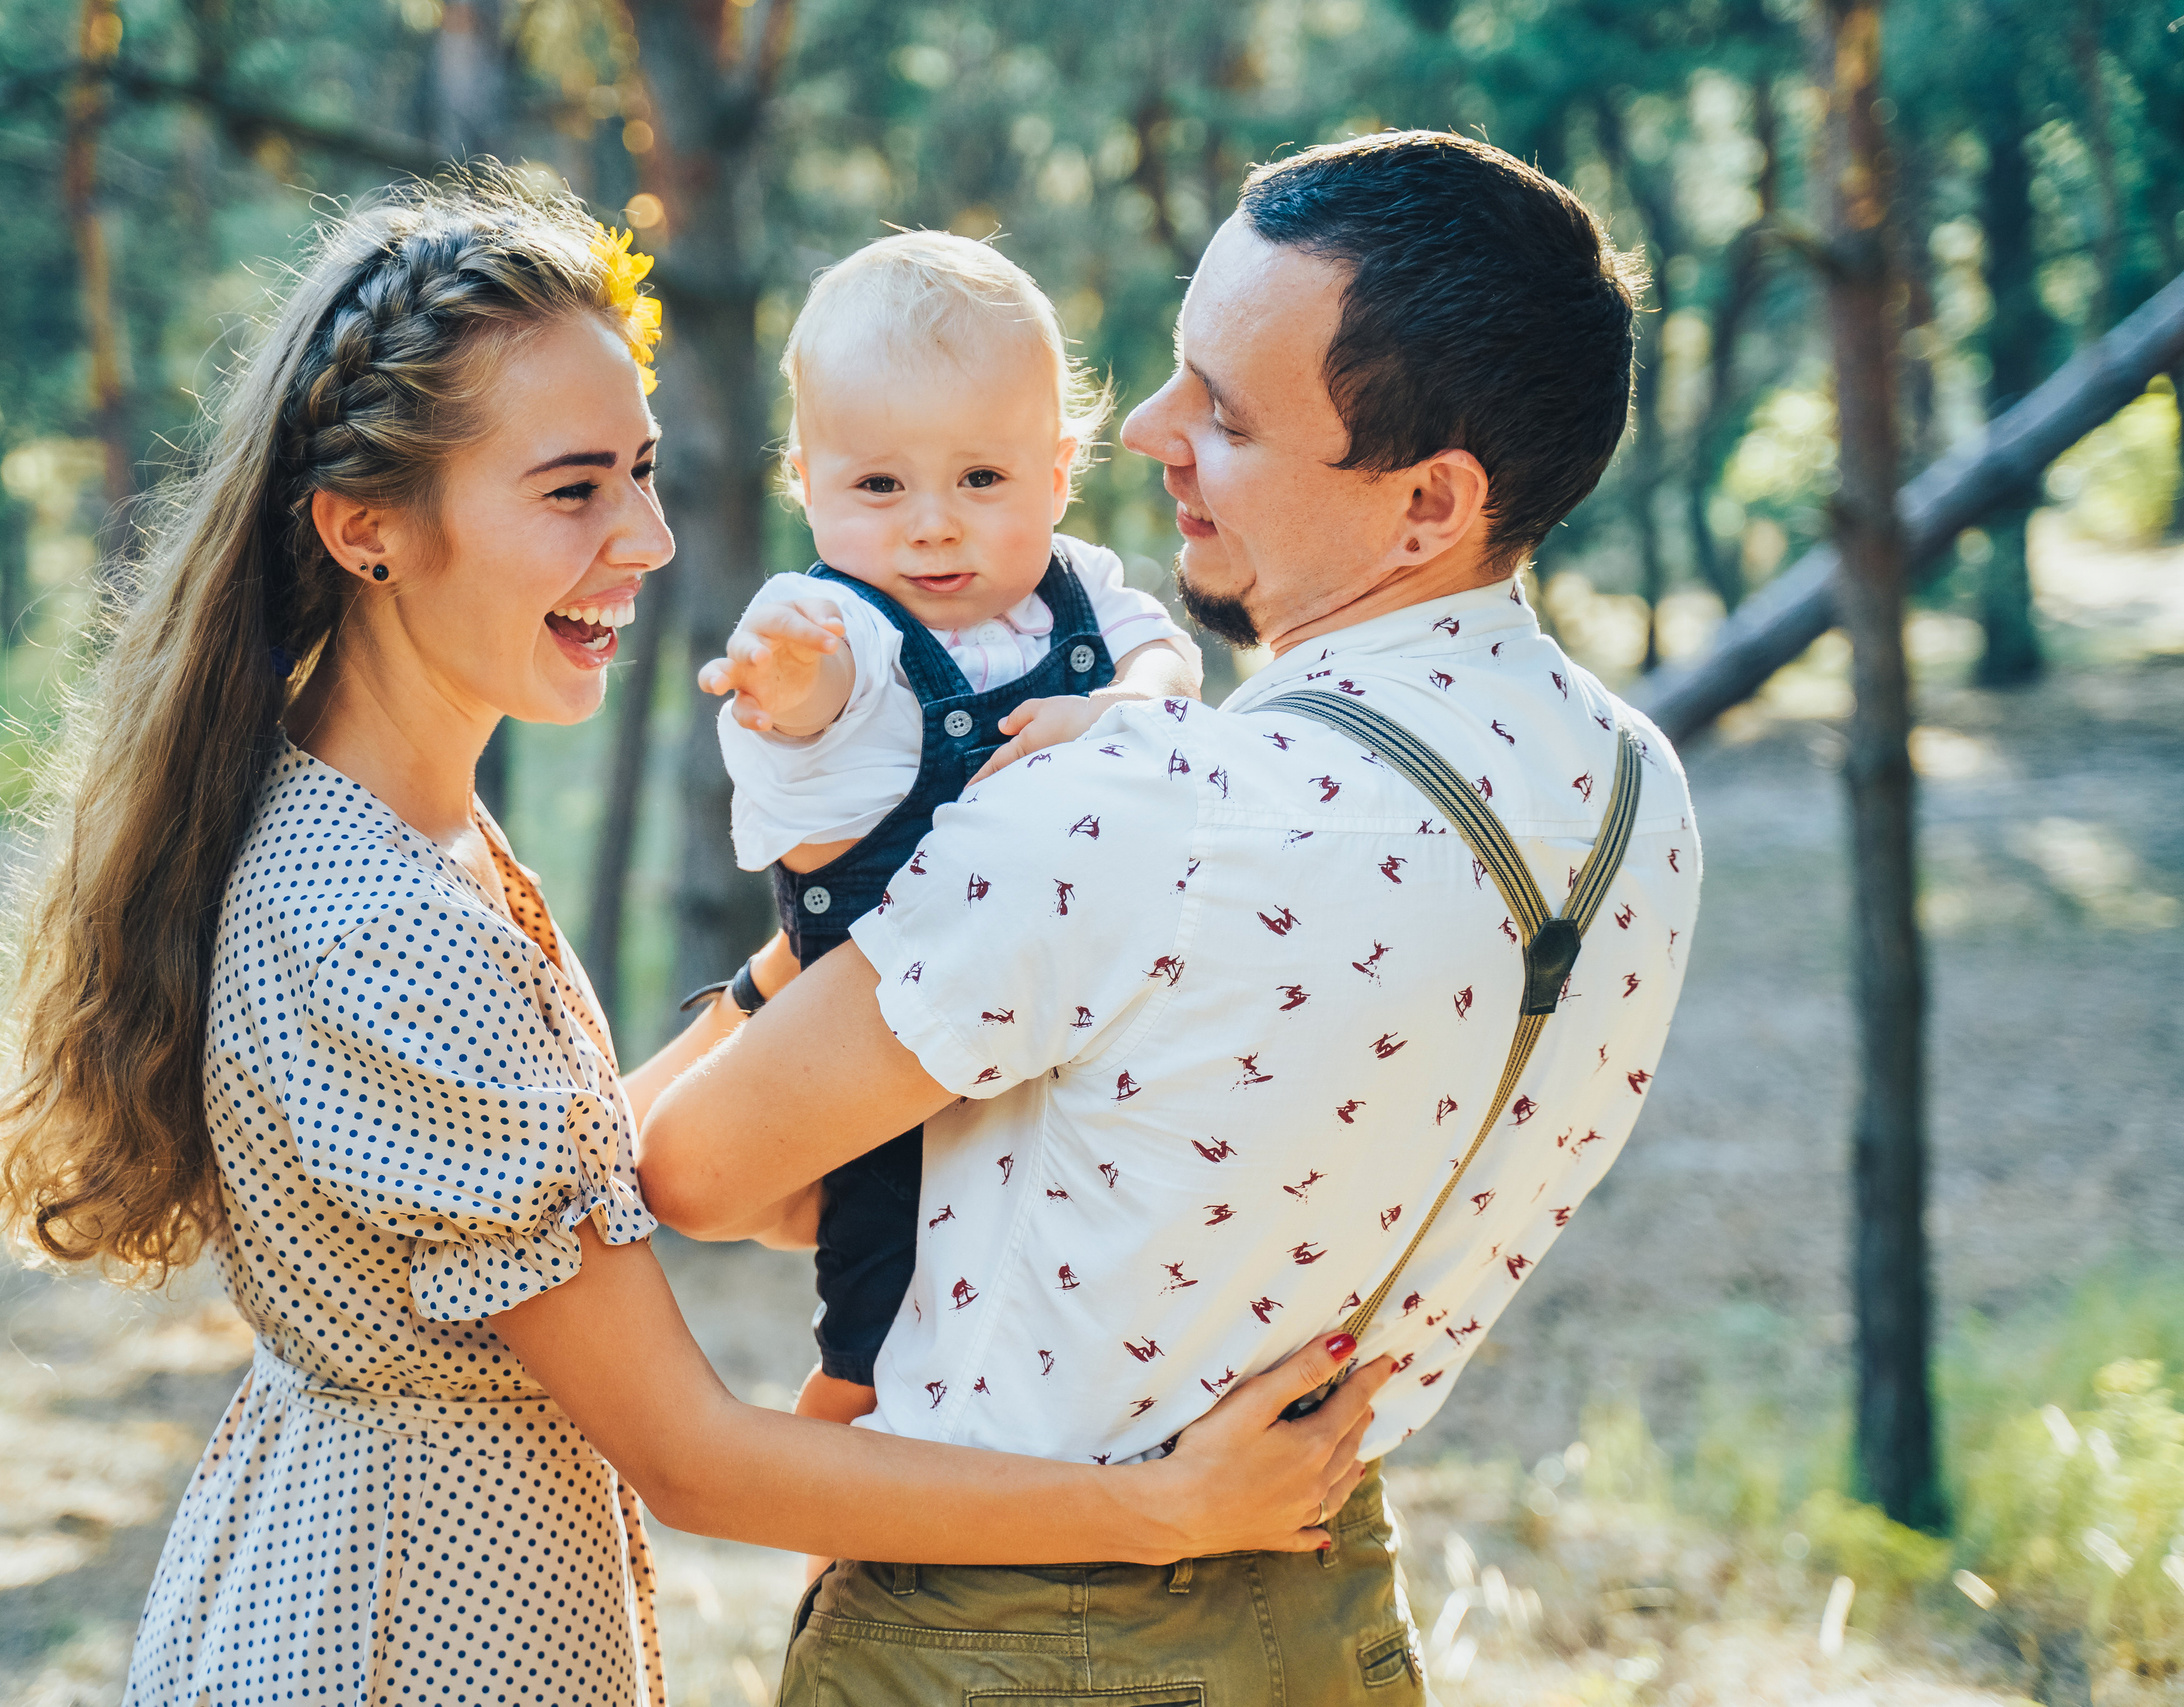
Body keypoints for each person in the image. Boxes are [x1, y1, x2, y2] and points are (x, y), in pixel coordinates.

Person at [0, 168, 1389, 1707]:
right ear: (367, 528)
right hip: (408, 1627)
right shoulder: (376, 914)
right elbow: (691, 1455)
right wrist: (1157, 1508)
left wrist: (810, 967)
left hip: (424, 1570)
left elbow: (551, 1194)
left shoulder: (395, 816)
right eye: (572, 488)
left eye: (639, 470)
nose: (643, 534)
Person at [639, 131, 1705, 1705]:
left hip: (997, 1632)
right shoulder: (1638, 799)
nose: (1145, 434)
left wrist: (823, 935)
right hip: (1326, 1606)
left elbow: (699, 1167)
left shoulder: (1139, 809)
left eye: (1225, 408)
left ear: (1430, 501)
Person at [694, 231, 1201, 1451]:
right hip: (878, 1032)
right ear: (804, 479)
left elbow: (1162, 655)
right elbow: (823, 706)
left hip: (1053, 1032)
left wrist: (1127, 702)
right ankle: (836, 1508)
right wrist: (788, 689)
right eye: (879, 488)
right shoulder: (830, 622)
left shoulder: (1080, 593)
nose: (931, 528)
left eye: (981, 480)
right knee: (879, 1309)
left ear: (1059, 469)